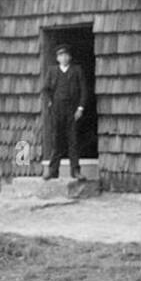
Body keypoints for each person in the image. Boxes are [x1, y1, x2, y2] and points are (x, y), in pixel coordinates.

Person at [41, 44, 88, 180]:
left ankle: (75, 171)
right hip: (57, 110)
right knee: (57, 140)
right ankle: (52, 171)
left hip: (72, 110)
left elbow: (84, 90)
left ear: (70, 57)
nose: (64, 58)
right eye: (61, 55)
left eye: (66, 55)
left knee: (73, 140)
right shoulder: (52, 71)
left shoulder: (76, 70)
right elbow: (46, 89)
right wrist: (50, 102)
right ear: (57, 58)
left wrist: (80, 108)